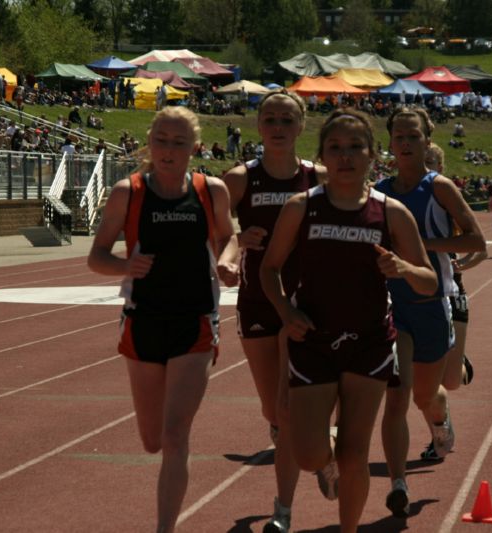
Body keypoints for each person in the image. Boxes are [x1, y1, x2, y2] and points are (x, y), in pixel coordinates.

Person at [259, 109, 438, 532]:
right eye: (335, 148)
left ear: (373, 155)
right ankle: (327, 453)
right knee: (307, 454)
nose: (345, 156)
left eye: (356, 147)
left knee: (356, 453)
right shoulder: (302, 207)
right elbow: (269, 270)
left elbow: (429, 280)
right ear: (322, 155)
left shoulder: (390, 212)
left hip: (370, 342)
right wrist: (287, 311)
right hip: (313, 340)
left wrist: (405, 270)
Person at [87, 107, 234, 533]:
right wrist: (125, 268)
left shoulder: (211, 190)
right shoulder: (127, 192)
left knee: (174, 436)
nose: (169, 151)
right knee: (151, 440)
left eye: (179, 142)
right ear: (149, 141)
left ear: (195, 147)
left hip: (195, 323)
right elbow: (96, 257)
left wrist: (226, 262)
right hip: (143, 322)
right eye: (162, 140)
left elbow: (229, 236)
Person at [216, 89, 326, 533]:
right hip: (259, 299)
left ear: (301, 126)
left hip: (310, 299)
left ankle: (288, 500)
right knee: (271, 409)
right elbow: (217, 230)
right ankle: (303, 442)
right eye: (271, 120)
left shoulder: (317, 176)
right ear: (259, 126)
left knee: (293, 406)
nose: (278, 128)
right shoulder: (240, 178)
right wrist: (232, 250)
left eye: (287, 120)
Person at [375, 112, 485, 518]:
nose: (405, 143)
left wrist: (422, 245)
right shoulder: (379, 192)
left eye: (413, 136)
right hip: (394, 306)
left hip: (433, 304)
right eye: (398, 136)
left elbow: (476, 240)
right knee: (397, 396)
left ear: (426, 141)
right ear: (389, 143)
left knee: (427, 395)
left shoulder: (439, 188)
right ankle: (399, 484)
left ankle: (440, 423)